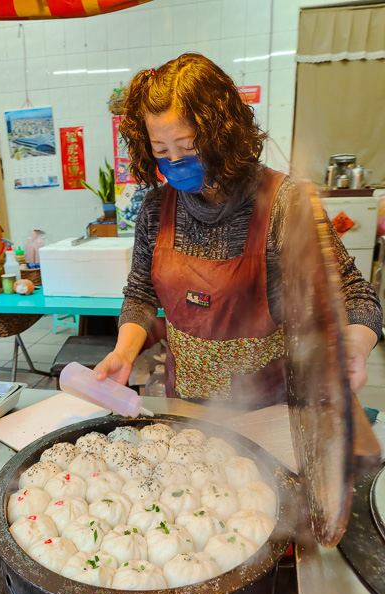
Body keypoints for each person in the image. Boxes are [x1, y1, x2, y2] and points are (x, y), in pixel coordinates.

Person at [95, 53, 382, 408]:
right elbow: (140, 293)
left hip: (268, 406)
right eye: (162, 152)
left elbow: (353, 293)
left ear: (222, 135)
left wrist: (353, 346)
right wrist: (124, 352)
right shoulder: (156, 209)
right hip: (184, 402)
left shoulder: (283, 204)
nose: (175, 162)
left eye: (187, 147)